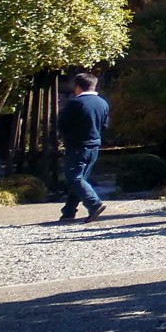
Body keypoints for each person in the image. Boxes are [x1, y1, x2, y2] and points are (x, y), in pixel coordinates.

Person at [56, 72, 109, 223]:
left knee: (74, 178)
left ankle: (94, 204)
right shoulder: (102, 103)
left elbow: (62, 124)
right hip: (94, 144)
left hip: (77, 144)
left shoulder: (75, 104)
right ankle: (69, 211)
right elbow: (104, 125)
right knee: (81, 178)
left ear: (77, 87)